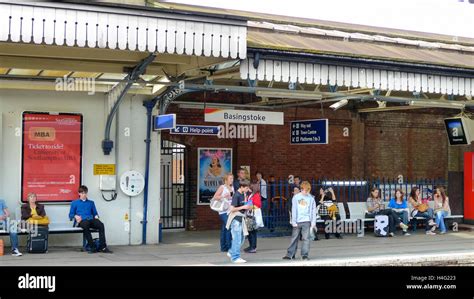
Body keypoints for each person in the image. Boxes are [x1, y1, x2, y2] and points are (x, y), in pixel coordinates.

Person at [69, 185, 113, 253]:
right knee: (86, 224)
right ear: (79, 193)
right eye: (82, 193)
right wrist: (75, 216)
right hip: (81, 221)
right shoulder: (74, 203)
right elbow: (70, 215)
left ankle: (103, 247)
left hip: (91, 220)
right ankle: (92, 247)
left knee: (101, 225)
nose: (84, 195)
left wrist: (96, 216)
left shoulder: (91, 203)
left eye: (85, 193)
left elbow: (95, 213)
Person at [282, 181, 317, 261]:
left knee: (306, 239)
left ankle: (304, 255)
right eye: (305, 190)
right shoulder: (296, 197)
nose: (306, 192)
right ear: (301, 189)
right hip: (297, 221)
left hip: (307, 221)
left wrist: (313, 223)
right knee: (294, 238)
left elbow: (313, 211)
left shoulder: (311, 198)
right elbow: (294, 210)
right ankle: (290, 254)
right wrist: (293, 221)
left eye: (308, 190)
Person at [226, 180, 251, 263]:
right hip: (236, 219)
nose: (248, 189)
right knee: (237, 239)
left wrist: (246, 206)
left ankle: (232, 252)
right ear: (242, 187)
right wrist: (243, 207)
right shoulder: (236, 195)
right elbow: (232, 209)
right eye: (246, 188)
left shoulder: (243, 194)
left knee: (242, 238)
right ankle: (235, 257)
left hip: (241, 219)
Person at [211, 173, 234, 253]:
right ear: (226, 180)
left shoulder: (232, 187)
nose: (232, 180)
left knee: (224, 228)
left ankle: (223, 247)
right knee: (229, 227)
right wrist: (224, 196)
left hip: (230, 210)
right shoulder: (222, 187)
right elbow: (215, 197)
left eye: (232, 178)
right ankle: (229, 246)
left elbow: (232, 198)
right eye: (230, 178)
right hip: (223, 211)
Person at [244, 183, 262, 254]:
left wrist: (249, 207)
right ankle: (251, 245)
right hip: (250, 214)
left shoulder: (256, 195)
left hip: (254, 215)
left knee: (253, 232)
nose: (248, 189)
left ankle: (253, 247)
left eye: (249, 188)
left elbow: (258, 205)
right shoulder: (251, 195)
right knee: (249, 231)